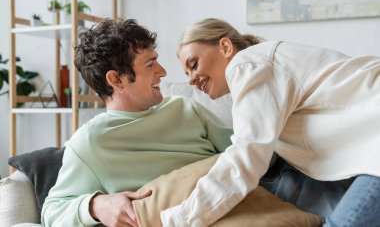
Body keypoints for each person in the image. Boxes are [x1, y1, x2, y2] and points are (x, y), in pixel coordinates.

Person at [160, 18, 380, 227]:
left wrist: (180, 219)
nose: (191, 79)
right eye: (187, 73)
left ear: (225, 47)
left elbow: (245, 158)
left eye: (194, 64)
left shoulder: (247, 64)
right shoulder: (261, 70)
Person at [41, 19, 233, 227]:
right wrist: (97, 205)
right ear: (116, 80)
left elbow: (246, 153)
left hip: (233, 206)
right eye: (150, 65)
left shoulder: (186, 108)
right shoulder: (90, 142)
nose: (163, 72)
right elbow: (52, 211)